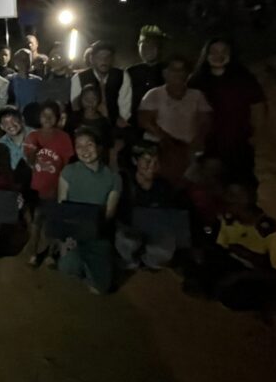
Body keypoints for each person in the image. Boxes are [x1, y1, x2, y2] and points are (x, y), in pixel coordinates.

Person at [185, 182, 276, 321]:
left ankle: (272, 304)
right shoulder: (230, 218)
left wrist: (241, 270)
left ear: (247, 201)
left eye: (232, 199)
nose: (226, 202)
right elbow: (222, 247)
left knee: (232, 296)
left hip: (260, 275)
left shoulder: (270, 232)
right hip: (238, 266)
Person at [188, 37, 266, 182]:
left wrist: (256, 135)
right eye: (214, 51)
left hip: (239, 143)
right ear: (206, 54)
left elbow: (258, 107)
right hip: (207, 145)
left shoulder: (245, 78)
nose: (218, 55)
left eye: (223, 51)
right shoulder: (196, 81)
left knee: (240, 187)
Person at [56, 128, 121, 293]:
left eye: (89, 145)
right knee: (66, 266)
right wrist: (67, 236)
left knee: (101, 289)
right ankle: (81, 263)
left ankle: (100, 264)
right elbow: (62, 205)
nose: (85, 150)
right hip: (74, 230)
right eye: (79, 146)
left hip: (97, 232)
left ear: (99, 147)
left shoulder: (113, 177)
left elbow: (109, 213)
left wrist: (91, 229)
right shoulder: (68, 172)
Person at [139, 56, 212, 185]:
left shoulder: (197, 96)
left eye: (181, 70)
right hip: (161, 149)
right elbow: (145, 121)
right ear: (165, 73)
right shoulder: (154, 94)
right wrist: (168, 141)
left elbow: (205, 122)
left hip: (190, 150)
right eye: (173, 70)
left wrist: (195, 142)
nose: (177, 74)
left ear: (188, 73)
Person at [114, 142, 188, 270]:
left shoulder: (164, 186)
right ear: (135, 160)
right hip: (129, 229)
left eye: (156, 162)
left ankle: (147, 261)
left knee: (165, 251)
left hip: (154, 229)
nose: (152, 166)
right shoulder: (123, 181)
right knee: (127, 240)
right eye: (147, 161)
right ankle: (130, 260)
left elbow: (170, 215)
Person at [23, 101, 75, 267]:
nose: (47, 118)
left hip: (55, 187)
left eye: (51, 115)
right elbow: (30, 160)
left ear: (58, 118)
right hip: (37, 188)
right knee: (36, 221)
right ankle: (33, 253)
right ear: (39, 117)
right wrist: (34, 150)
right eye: (44, 115)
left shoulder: (64, 138)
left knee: (53, 221)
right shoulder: (33, 136)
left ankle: (51, 253)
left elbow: (67, 165)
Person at [70, 41, 132, 131]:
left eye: (108, 57)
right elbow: (75, 106)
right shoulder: (79, 78)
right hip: (87, 124)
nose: (104, 60)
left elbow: (125, 105)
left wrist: (117, 121)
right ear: (92, 59)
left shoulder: (121, 76)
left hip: (115, 124)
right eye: (100, 57)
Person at [127, 25, 168, 127]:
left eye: (152, 45)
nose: (147, 49)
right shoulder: (130, 72)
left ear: (159, 48)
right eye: (144, 45)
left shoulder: (168, 71)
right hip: (135, 125)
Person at [66, 84, 115, 166]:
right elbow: (67, 141)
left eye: (93, 99)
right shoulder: (73, 118)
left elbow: (108, 146)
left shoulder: (104, 122)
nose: (90, 102)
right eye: (86, 99)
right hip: (76, 162)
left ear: (99, 100)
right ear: (81, 100)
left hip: (97, 163)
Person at [0, 107, 33, 192]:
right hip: (13, 188)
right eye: (6, 122)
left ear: (22, 120)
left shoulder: (35, 136)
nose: (11, 125)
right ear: (2, 127)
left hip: (35, 183)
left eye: (14, 120)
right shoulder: (1, 144)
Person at [35, 43, 73, 116]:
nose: (56, 59)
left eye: (59, 56)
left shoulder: (74, 78)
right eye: (53, 57)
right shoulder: (44, 80)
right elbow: (41, 101)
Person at [7, 48, 42, 113]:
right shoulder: (9, 80)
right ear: (16, 62)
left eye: (27, 59)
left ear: (31, 61)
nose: (24, 62)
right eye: (21, 59)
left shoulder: (38, 81)